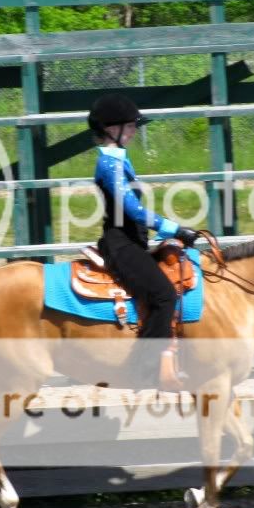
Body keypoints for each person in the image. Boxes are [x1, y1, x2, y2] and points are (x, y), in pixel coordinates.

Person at [88, 93, 200, 391]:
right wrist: (173, 227)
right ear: (113, 129)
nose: (136, 130)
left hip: (131, 241)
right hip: (121, 245)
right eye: (131, 125)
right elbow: (132, 210)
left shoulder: (117, 159)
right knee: (164, 295)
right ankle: (145, 369)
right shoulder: (109, 163)